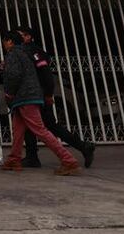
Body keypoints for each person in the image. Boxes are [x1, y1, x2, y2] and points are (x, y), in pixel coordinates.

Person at [1, 32, 81, 176]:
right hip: (30, 96)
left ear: (10, 41)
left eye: (4, 42)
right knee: (18, 130)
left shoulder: (13, 54)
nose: (4, 45)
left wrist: (9, 93)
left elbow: (14, 75)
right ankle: (14, 159)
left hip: (24, 97)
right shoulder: (27, 53)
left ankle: (68, 160)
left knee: (40, 130)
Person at [16, 28, 96, 169]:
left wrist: (48, 94)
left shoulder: (34, 52)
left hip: (38, 95)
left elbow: (46, 74)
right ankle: (32, 157)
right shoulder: (22, 52)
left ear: (28, 37)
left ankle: (82, 147)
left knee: (49, 125)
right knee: (32, 124)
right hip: (32, 95)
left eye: (20, 36)